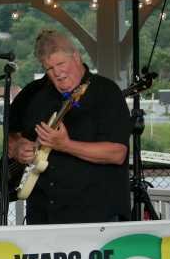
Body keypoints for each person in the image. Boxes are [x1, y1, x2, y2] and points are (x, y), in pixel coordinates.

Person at [8, 29, 130, 224]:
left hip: (94, 215)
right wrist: (17, 148)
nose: (57, 73)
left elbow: (117, 153)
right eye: (49, 68)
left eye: (61, 64)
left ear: (76, 57)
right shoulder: (34, 94)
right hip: (42, 214)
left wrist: (65, 145)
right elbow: (11, 133)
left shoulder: (106, 92)